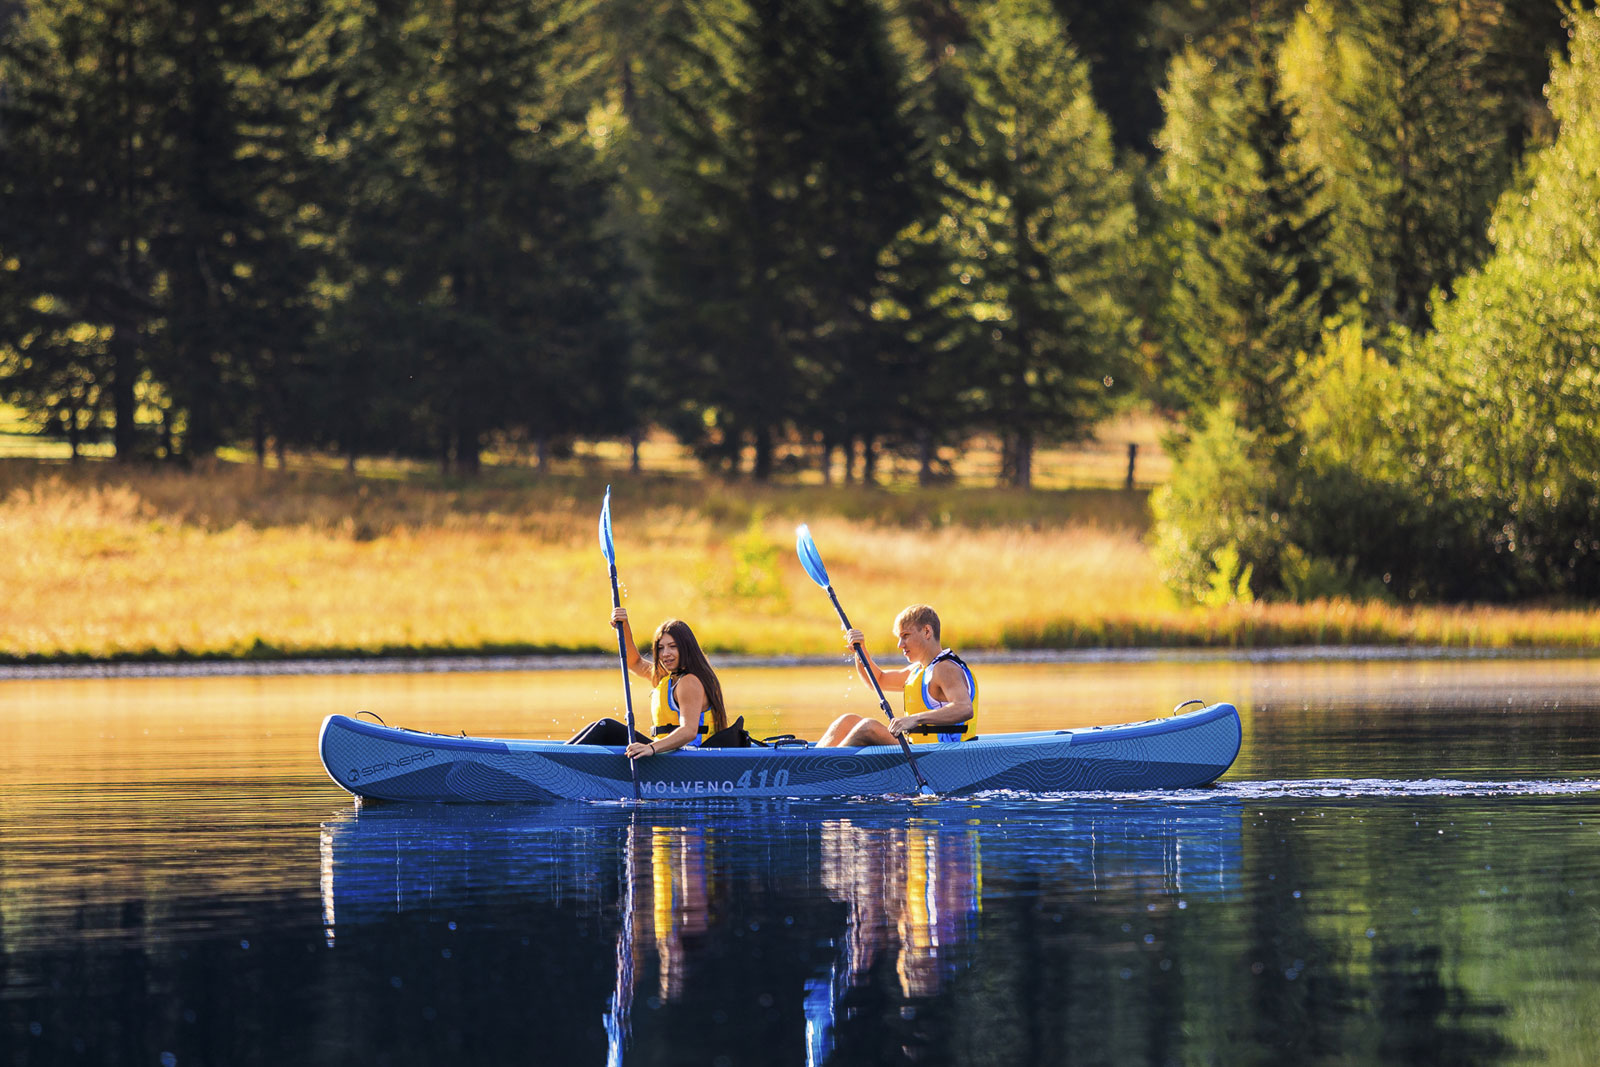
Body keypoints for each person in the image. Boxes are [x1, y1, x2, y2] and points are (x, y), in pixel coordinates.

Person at [567, 607, 729, 758]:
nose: (665, 653)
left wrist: (651, 748)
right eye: (660, 648)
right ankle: (563, 755)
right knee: (597, 725)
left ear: (686, 648)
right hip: (668, 754)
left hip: (686, 758)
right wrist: (624, 627)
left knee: (606, 727)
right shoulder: (669, 679)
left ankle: (559, 763)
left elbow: (689, 731)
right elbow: (635, 663)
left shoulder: (689, 682)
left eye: (672, 647)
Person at [817, 604, 978, 747]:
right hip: (918, 750)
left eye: (905, 635)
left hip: (942, 755)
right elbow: (877, 681)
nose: (900, 645)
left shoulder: (945, 668)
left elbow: (964, 708)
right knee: (847, 721)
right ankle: (812, 764)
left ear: (927, 631)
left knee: (868, 727)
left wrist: (915, 719)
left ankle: (826, 771)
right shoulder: (918, 670)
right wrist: (861, 651)